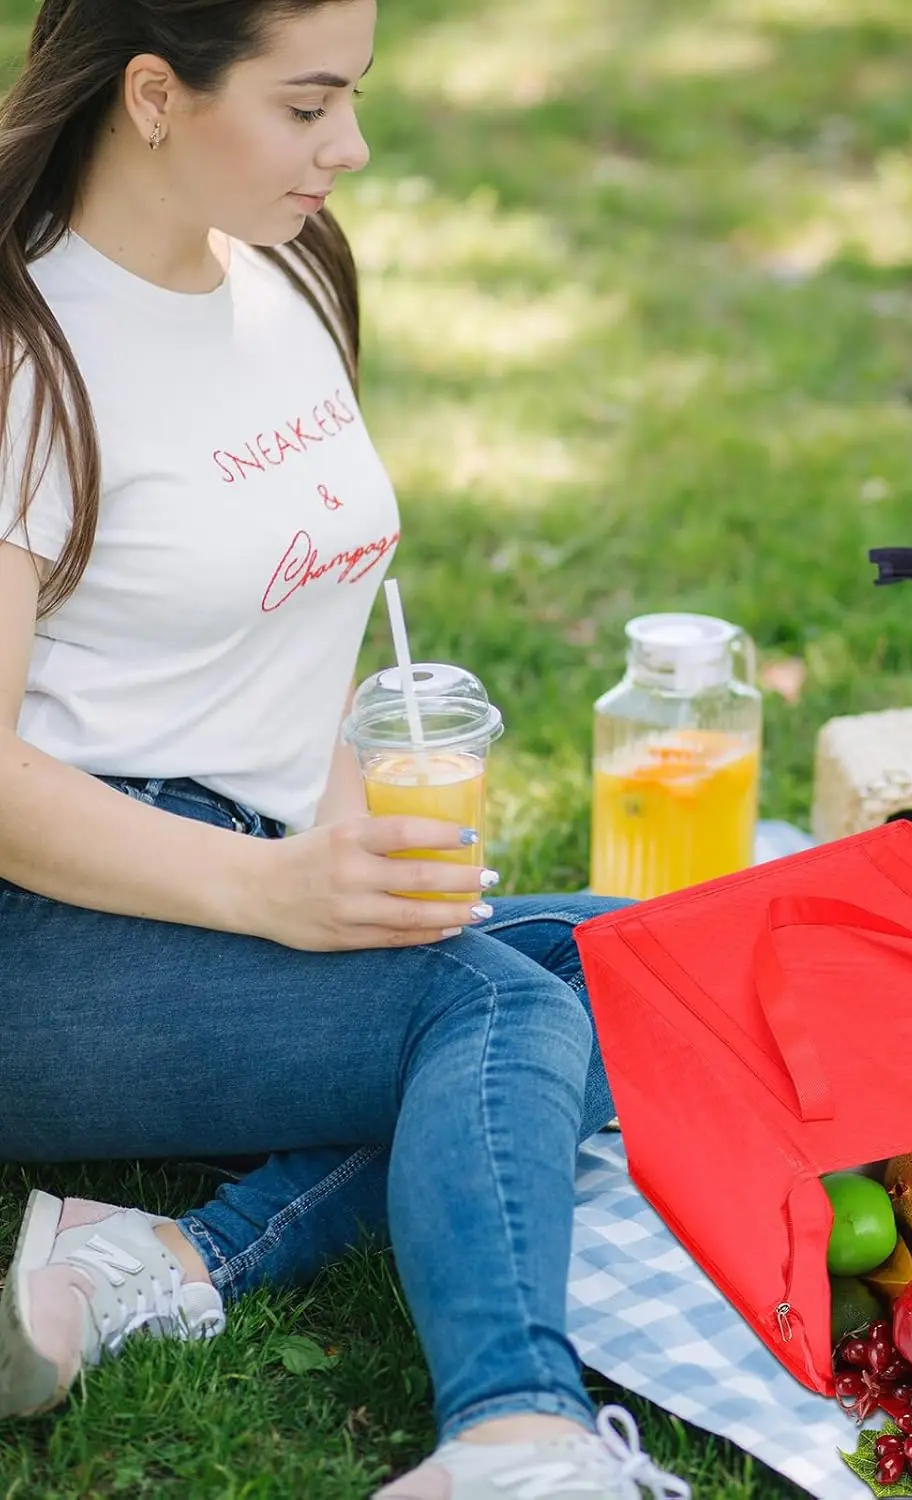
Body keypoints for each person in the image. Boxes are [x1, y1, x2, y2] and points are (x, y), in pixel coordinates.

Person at [0, 4, 688, 1497]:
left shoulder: (292, 274)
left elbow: (304, 618)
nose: (352, 149)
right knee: (492, 1018)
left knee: (634, 970)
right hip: (43, 933)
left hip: (239, 857)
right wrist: (273, 898)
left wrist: (346, 846)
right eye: (309, 106)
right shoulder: (26, 348)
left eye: (354, 99)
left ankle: (166, 1255)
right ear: (155, 93)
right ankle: (514, 1436)